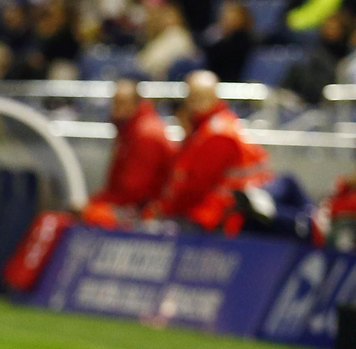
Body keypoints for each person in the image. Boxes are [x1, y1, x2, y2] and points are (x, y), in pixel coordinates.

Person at [148, 70, 269, 234]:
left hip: (218, 217)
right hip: (216, 212)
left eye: (199, 97)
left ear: (214, 97)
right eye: (192, 97)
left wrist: (165, 209)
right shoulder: (205, 128)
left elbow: (195, 188)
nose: (193, 103)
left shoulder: (217, 134)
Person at [82, 79, 175, 228]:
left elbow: (133, 192)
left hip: (145, 212)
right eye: (115, 103)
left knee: (90, 215)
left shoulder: (146, 134)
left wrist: (93, 203)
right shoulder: (131, 130)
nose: (115, 109)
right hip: (134, 206)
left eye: (122, 103)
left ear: (136, 103)